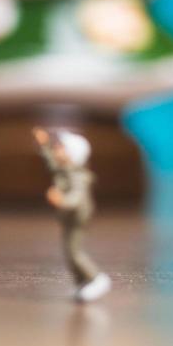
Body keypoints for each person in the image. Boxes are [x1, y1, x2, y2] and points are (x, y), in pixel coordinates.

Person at [34, 127, 111, 302]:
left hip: (77, 217)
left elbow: (77, 198)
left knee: (75, 253)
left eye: (60, 148)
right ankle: (82, 283)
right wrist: (44, 144)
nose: (56, 150)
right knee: (69, 252)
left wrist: (61, 200)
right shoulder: (65, 170)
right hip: (69, 218)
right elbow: (51, 163)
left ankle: (96, 279)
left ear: (72, 154)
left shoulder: (77, 176)